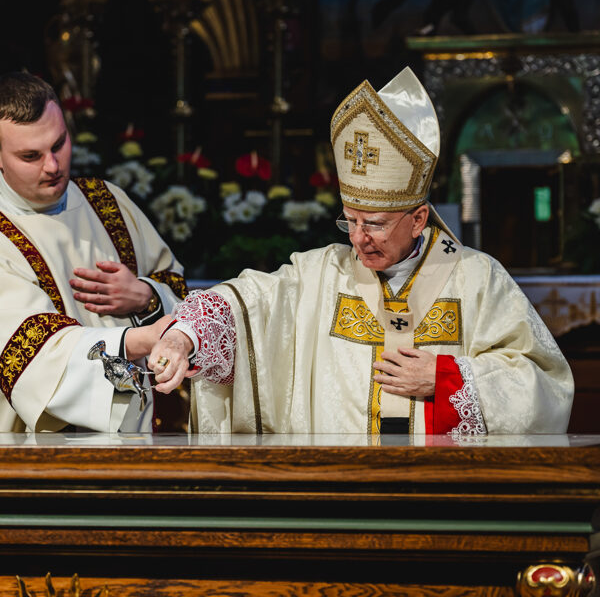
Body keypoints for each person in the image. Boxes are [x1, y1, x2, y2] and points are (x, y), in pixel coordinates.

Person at [146, 67, 573, 436]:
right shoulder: (319, 274)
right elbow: (250, 303)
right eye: (350, 220)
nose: (358, 238)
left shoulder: (477, 277)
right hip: (339, 484)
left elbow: (543, 385)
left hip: (441, 485)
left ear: (419, 219)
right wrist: (185, 336)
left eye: (375, 224)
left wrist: (445, 380)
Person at [0, 71, 187, 433]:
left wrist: (146, 297)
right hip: (36, 453)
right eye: (30, 156)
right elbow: (32, 355)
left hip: (139, 436)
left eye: (59, 144)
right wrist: (138, 341)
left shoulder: (106, 201)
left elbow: (177, 287)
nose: (53, 166)